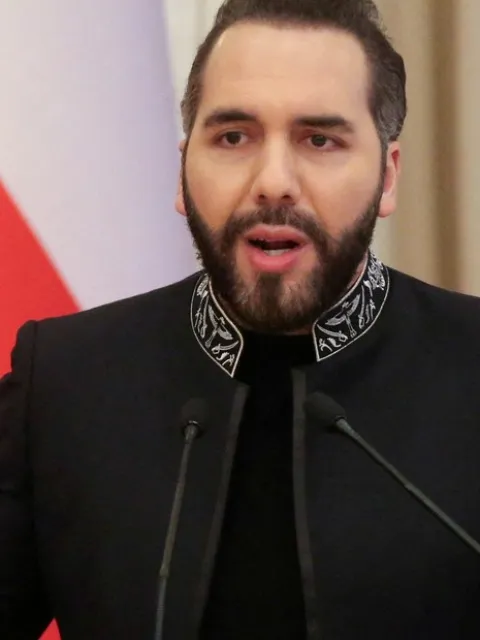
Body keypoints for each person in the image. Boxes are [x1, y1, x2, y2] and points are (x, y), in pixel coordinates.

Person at [2, 0, 480, 638]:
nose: (274, 182)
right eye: (233, 137)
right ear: (182, 171)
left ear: (387, 178)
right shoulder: (66, 383)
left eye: (319, 140)